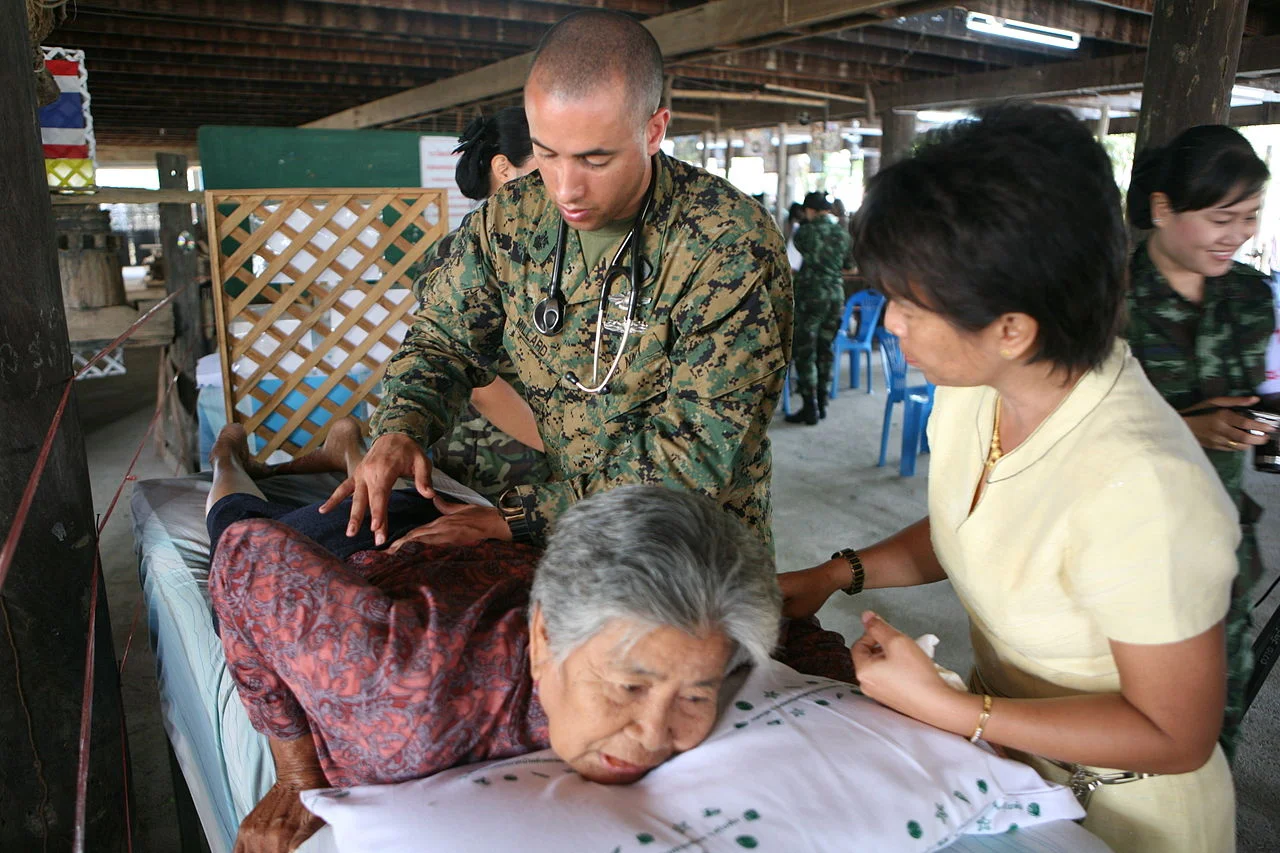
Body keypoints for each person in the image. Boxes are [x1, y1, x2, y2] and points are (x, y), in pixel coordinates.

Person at [778, 104, 1239, 853]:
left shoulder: (1146, 488)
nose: (889, 324)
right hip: (1010, 769)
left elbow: (1176, 734)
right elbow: (977, 524)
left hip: (1125, 813)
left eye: (910, 305)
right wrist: (837, 573)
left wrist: (955, 710)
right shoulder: (979, 389)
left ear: (1013, 329)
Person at [325, 10, 791, 553]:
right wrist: (402, 425)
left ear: (654, 130)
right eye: (546, 154)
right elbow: (443, 341)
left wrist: (522, 518)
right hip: (577, 537)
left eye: (595, 160)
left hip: (691, 549)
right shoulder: (512, 217)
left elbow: (700, 453)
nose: (566, 189)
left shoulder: (726, 243)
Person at [211, 482, 783, 853]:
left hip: (497, 554)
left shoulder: (703, 644)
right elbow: (245, 551)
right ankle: (232, 454)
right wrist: (297, 775)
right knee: (233, 508)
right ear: (544, 641)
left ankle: (345, 446)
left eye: (694, 696)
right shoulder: (401, 696)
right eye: (630, 686)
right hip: (373, 541)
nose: (654, 736)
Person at [1125, 124, 1277, 756]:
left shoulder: (1251, 297)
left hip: (1219, 536)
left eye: (1250, 216)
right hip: (1127, 540)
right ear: (1163, 209)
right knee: (1124, 714)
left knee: (1217, 708)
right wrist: (1185, 428)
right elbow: (1053, 428)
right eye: (1221, 218)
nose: (1238, 234)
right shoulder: (1103, 301)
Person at [422, 108, 553, 503]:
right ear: (504, 169)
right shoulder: (459, 252)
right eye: (548, 163)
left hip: (553, 456)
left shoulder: (547, 244)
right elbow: (481, 384)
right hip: (495, 460)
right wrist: (573, 450)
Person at [785, 191, 849, 425]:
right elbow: (850, 266)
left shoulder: (804, 233)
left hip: (810, 297)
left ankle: (809, 405)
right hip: (835, 296)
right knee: (825, 348)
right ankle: (822, 403)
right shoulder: (842, 234)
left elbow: (792, 263)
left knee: (805, 350)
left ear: (810, 210)